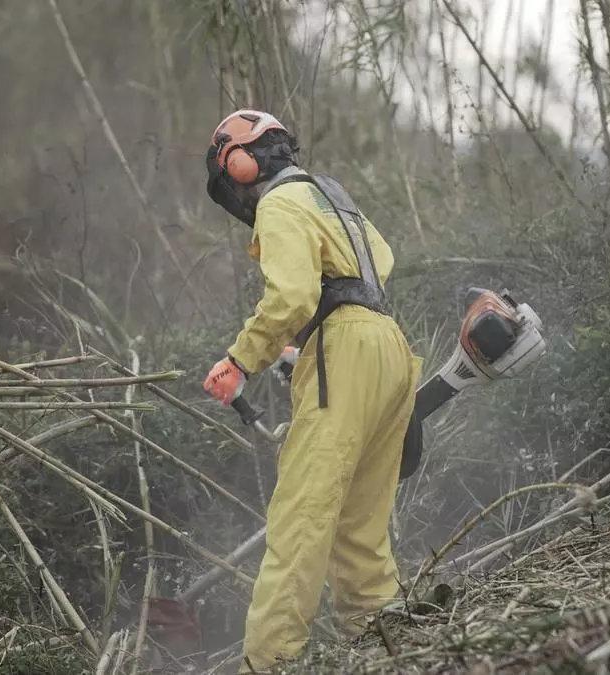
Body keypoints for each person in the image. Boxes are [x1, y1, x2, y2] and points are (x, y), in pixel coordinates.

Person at [201, 109, 421, 671]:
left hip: (346, 350)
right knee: (361, 521)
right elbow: (377, 267)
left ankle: (269, 661)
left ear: (241, 165)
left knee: (302, 515)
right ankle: (382, 645)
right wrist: (312, 343)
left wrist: (240, 360)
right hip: (390, 346)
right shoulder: (333, 196)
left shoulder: (277, 203)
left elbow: (294, 297)